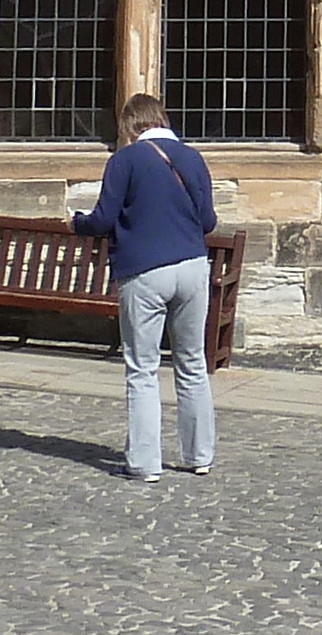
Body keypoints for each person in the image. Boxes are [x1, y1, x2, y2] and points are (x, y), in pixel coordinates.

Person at [71, 90, 219, 482]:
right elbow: (208, 221)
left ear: (130, 125)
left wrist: (76, 223)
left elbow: (103, 220)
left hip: (144, 271)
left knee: (143, 369)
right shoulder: (192, 158)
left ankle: (145, 463)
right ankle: (199, 455)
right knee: (192, 364)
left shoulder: (126, 160)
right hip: (191, 267)